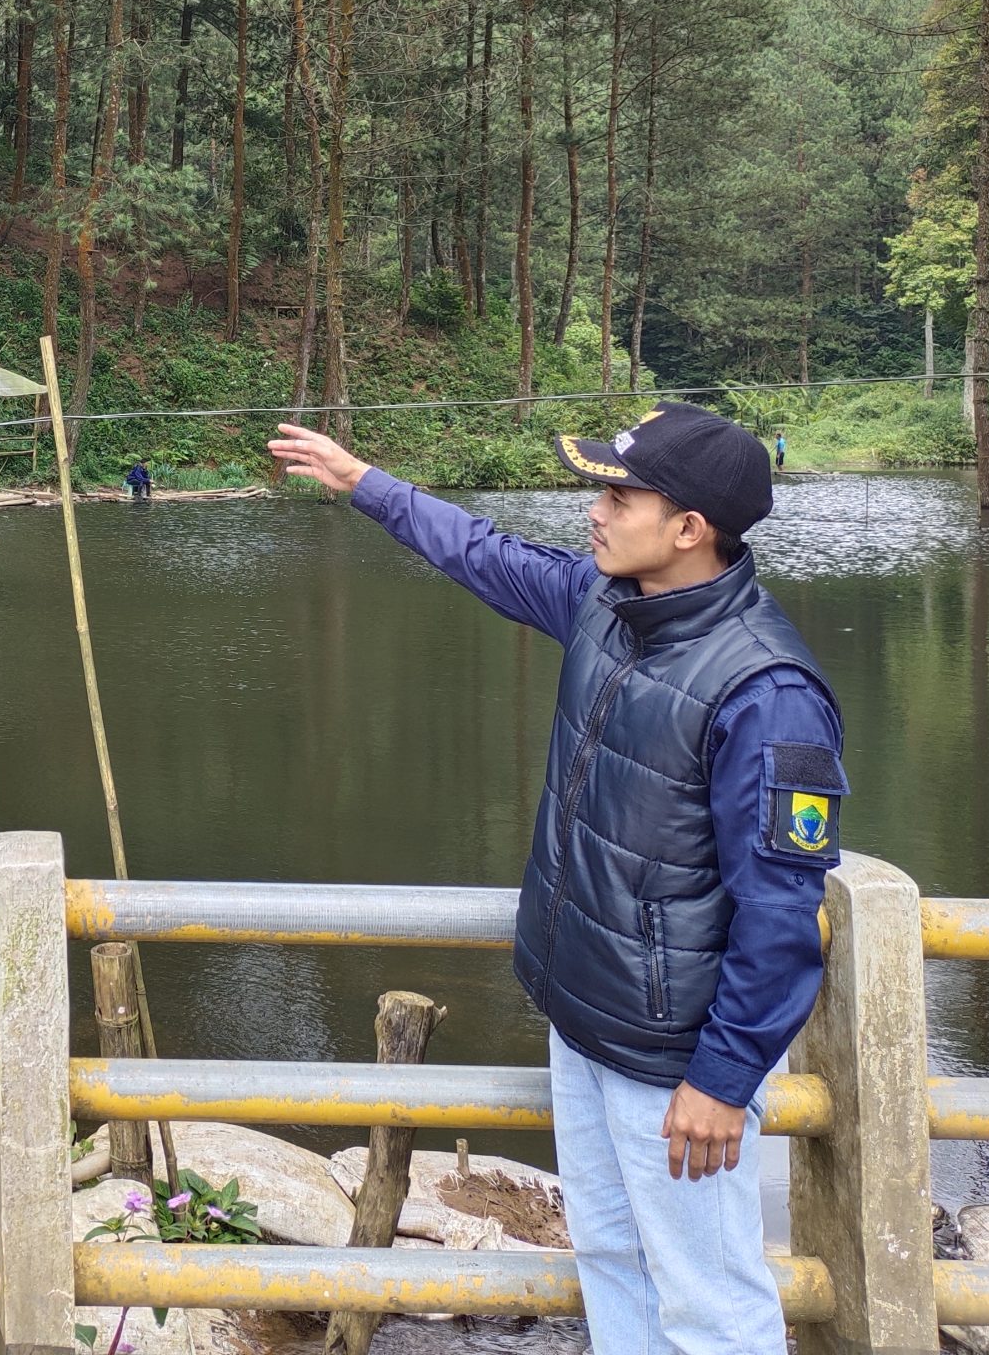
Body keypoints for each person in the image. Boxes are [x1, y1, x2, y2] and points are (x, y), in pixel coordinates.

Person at [269, 403, 845, 1355]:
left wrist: (725, 1075)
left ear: (690, 528)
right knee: (613, 1257)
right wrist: (361, 482)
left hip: (674, 1062)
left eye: (619, 494)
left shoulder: (767, 693)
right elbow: (483, 554)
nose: (596, 511)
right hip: (582, 1018)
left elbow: (781, 914)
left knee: (710, 1298)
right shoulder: (605, 605)